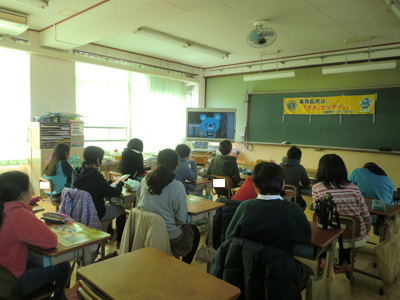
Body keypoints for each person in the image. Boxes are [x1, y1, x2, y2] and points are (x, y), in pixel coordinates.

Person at [226, 162, 314, 283]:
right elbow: (306, 238)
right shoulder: (294, 209)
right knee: (308, 271)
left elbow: (229, 237)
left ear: (255, 186)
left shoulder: (244, 207)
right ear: (283, 185)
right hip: (280, 271)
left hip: (248, 270)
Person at [0, 171, 70, 299]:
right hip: (10, 284)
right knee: (64, 264)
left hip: (4, 272)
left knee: (41, 262)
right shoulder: (17, 213)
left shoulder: (4, 209)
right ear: (22, 194)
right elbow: (51, 241)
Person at [136, 149, 200, 264]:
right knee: (194, 231)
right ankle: (183, 267)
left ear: (157, 163)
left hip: (144, 231)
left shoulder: (144, 181)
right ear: (176, 166)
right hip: (168, 236)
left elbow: (138, 205)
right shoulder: (177, 186)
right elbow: (181, 219)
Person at [312, 154, 372, 276]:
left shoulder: (317, 188)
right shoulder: (354, 188)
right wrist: (366, 231)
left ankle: (324, 260)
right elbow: (365, 215)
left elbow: (318, 213)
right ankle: (345, 263)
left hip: (328, 234)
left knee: (324, 226)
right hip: (353, 234)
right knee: (345, 233)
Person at [72, 146, 126, 249]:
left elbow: (98, 187)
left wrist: (108, 183)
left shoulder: (76, 172)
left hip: (79, 211)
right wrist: (119, 184)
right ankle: (120, 241)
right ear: (97, 159)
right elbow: (112, 192)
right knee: (122, 210)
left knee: (107, 205)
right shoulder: (96, 175)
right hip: (95, 212)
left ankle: (109, 233)